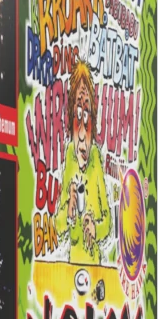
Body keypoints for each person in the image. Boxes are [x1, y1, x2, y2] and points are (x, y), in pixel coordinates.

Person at [53, 60, 112, 261]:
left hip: (95, 264)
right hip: (73, 263)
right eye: (79, 113)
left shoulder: (95, 156)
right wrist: (69, 209)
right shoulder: (70, 154)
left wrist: (96, 228)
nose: (82, 126)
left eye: (86, 113)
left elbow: (107, 220)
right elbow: (59, 225)